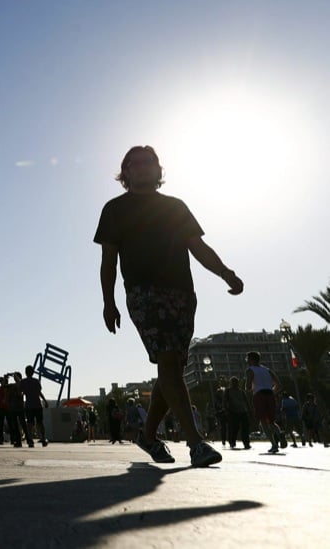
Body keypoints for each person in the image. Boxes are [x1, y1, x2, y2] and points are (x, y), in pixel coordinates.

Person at [94, 145, 243, 468]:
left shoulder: (176, 207)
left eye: (151, 162)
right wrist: (109, 302)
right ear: (126, 172)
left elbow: (197, 246)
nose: (145, 167)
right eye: (137, 163)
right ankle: (195, 443)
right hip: (143, 293)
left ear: (159, 169)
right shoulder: (115, 209)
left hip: (182, 294)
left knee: (171, 366)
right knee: (167, 359)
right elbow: (108, 260)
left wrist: (225, 273)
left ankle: (147, 437)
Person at [245, 351, 284, 453]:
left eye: (247, 359)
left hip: (259, 395)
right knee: (272, 421)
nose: (247, 361)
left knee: (263, 422)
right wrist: (273, 392)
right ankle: (280, 434)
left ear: (251, 359)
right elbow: (279, 384)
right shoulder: (267, 370)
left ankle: (274, 444)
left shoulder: (250, 370)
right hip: (270, 394)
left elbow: (248, 387)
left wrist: (248, 388)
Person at [20, 365, 49, 446]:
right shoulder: (36, 381)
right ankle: (43, 439)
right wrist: (45, 401)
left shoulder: (23, 382)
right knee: (40, 422)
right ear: (33, 372)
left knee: (30, 423)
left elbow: (21, 393)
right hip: (37, 404)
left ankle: (30, 440)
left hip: (29, 405)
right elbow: (39, 392)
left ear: (26, 373)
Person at [224, 375, 251, 449]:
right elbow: (225, 401)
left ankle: (246, 442)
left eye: (236, 382)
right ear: (231, 383)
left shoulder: (241, 391)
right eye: (233, 382)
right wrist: (227, 410)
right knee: (234, 428)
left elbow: (246, 401)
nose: (235, 383)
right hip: (233, 411)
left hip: (242, 411)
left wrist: (248, 409)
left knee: (245, 427)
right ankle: (232, 441)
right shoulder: (228, 390)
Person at [6, 372, 30, 447]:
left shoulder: (21, 384)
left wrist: (14, 374)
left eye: (15, 377)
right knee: (15, 426)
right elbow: (4, 385)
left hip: (20, 407)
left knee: (23, 425)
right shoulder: (12, 385)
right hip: (13, 408)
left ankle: (29, 440)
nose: (14, 378)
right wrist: (5, 378)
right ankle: (19, 441)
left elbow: (19, 381)